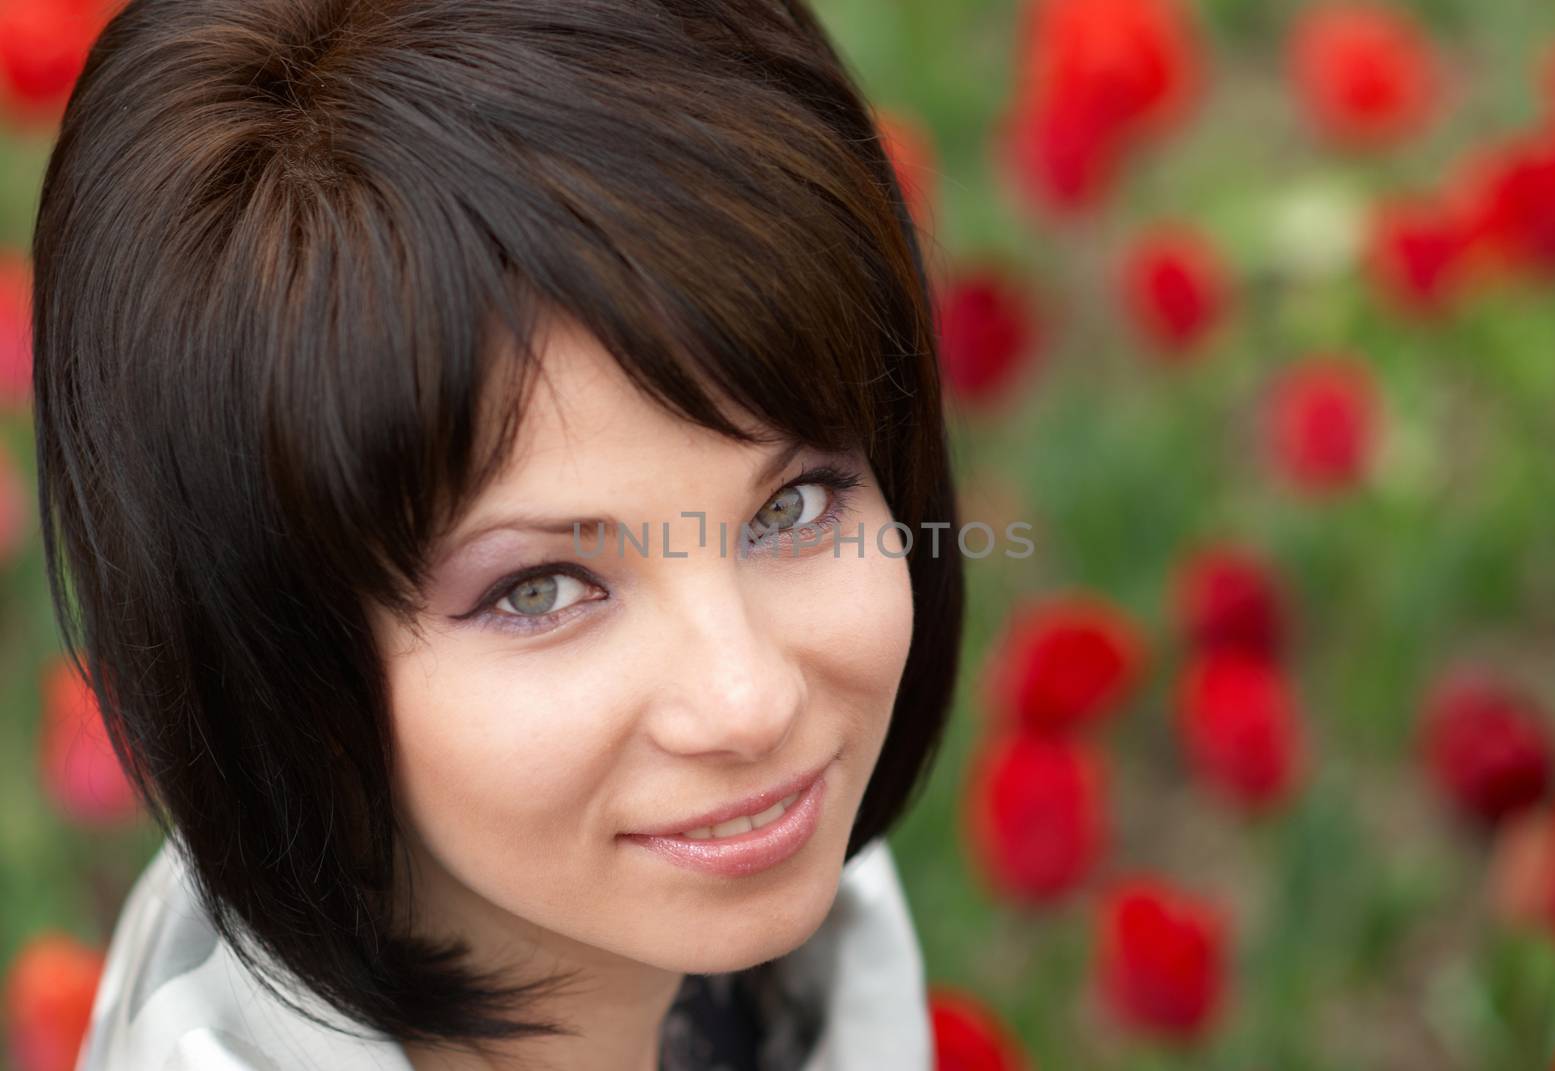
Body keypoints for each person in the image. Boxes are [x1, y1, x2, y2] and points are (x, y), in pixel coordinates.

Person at [29, 1, 966, 1068]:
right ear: (274, 659)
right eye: (541, 589)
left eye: (792, 507)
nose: (749, 703)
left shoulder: (783, 969)